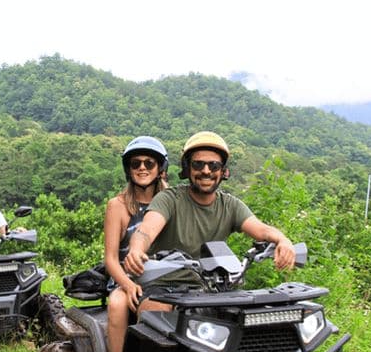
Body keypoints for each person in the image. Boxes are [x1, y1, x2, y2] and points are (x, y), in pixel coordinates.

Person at [124, 130, 296, 312]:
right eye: (198, 165)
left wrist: (282, 240)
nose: (206, 171)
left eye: (213, 166)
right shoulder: (169, 199)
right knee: (154, 314)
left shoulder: (230, 205)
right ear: (187, 168)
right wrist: (136, 249)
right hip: (164, 286)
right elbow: (146, 231)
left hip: (211, 288)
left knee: (249, 319)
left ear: (223, 171)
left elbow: (261, 229)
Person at [104, 136, 169, 352]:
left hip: (166, 277)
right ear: (128, 168)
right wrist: (128, 284)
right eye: (136, 163)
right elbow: (110, 258)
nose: (142, 168)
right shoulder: (117, 206)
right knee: (118, 305)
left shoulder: (171, 201)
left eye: (149, 163)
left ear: (160, 168)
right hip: (126, 277)